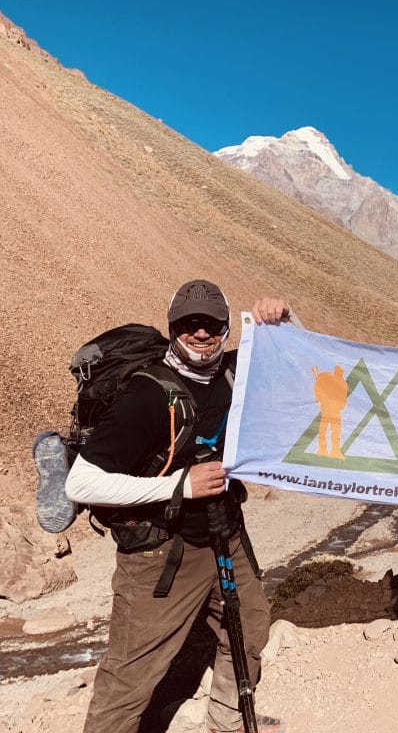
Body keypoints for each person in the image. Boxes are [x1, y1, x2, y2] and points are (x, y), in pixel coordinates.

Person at [65, 280, 291, 733]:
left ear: (226, 328)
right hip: (161, 550)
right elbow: (81, 482)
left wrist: (284, 320)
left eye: (211, 324)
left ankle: (228, 719)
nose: (201, 333)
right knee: (132, 671)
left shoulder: (234, 372)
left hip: (224, 531)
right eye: (190, 324)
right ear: (173, 328)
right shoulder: (146, 396)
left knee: (249, 624)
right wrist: (179, 486)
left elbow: (300, 368)